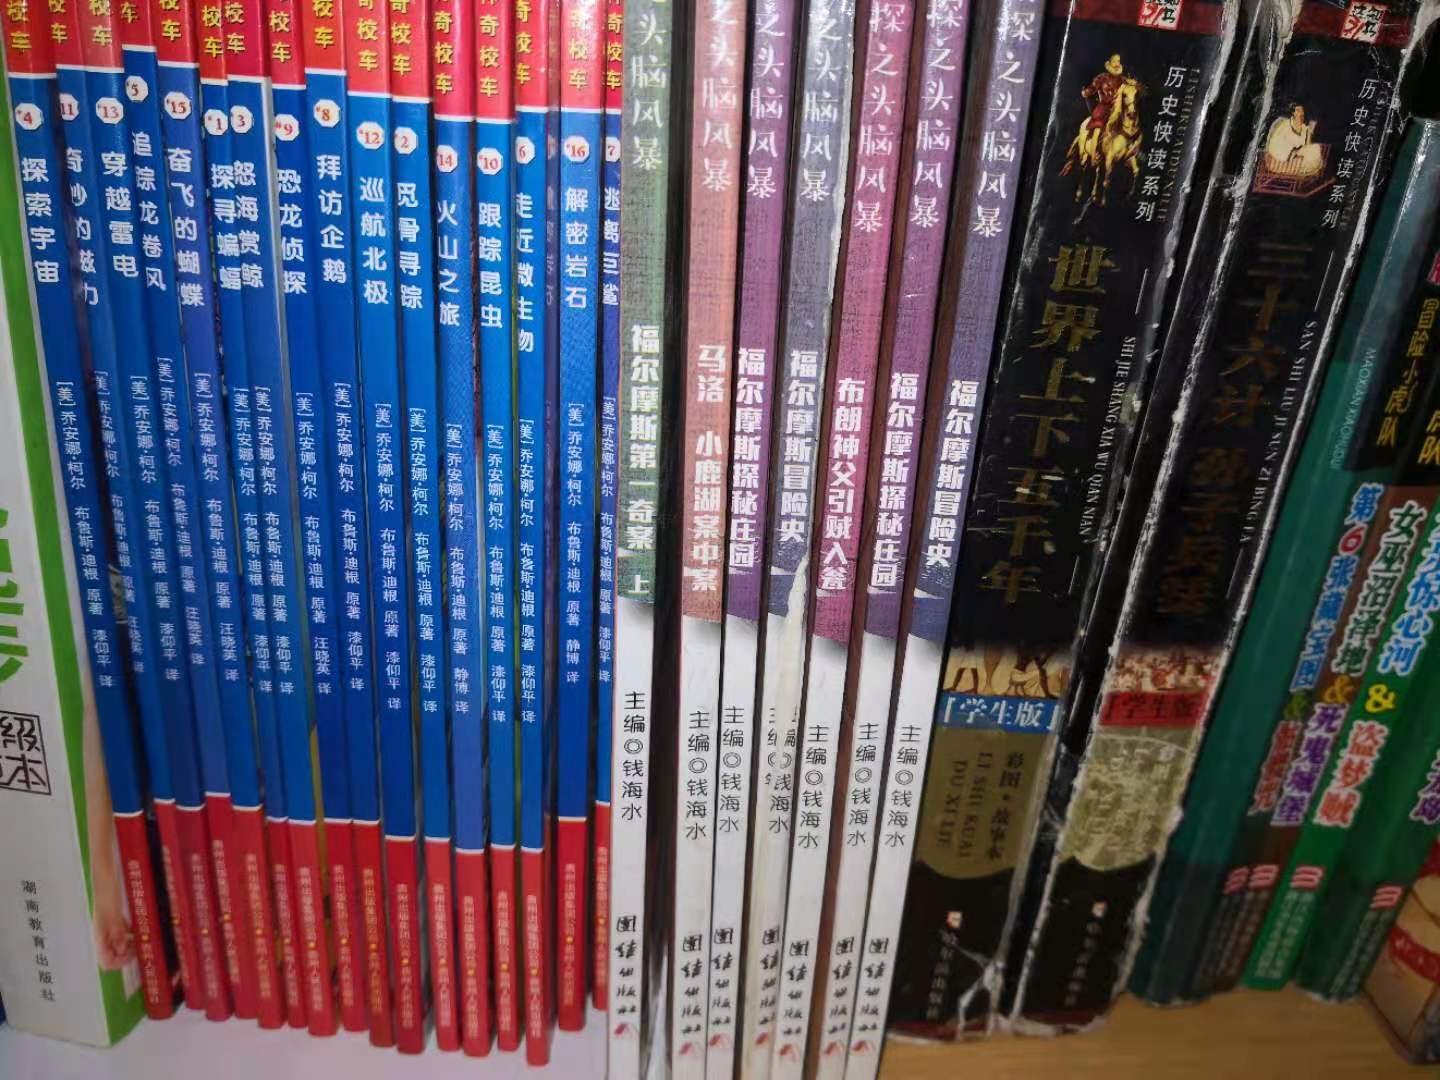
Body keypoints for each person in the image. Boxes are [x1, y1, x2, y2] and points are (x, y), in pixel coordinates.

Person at [1264, 103, 1324, 177]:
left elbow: (1306, 146)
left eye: (1302, 111)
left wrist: (1309, 132)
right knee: (1312, 151)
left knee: (1315, 147)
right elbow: (1275, 144)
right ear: (1293, 113)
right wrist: (1292, 153)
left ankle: (1310, 169)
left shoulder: (1304, 128)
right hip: (1282, 161)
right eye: (1298, 110)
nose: (1301, 113)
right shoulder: (1285, 125)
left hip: (1298, 159)